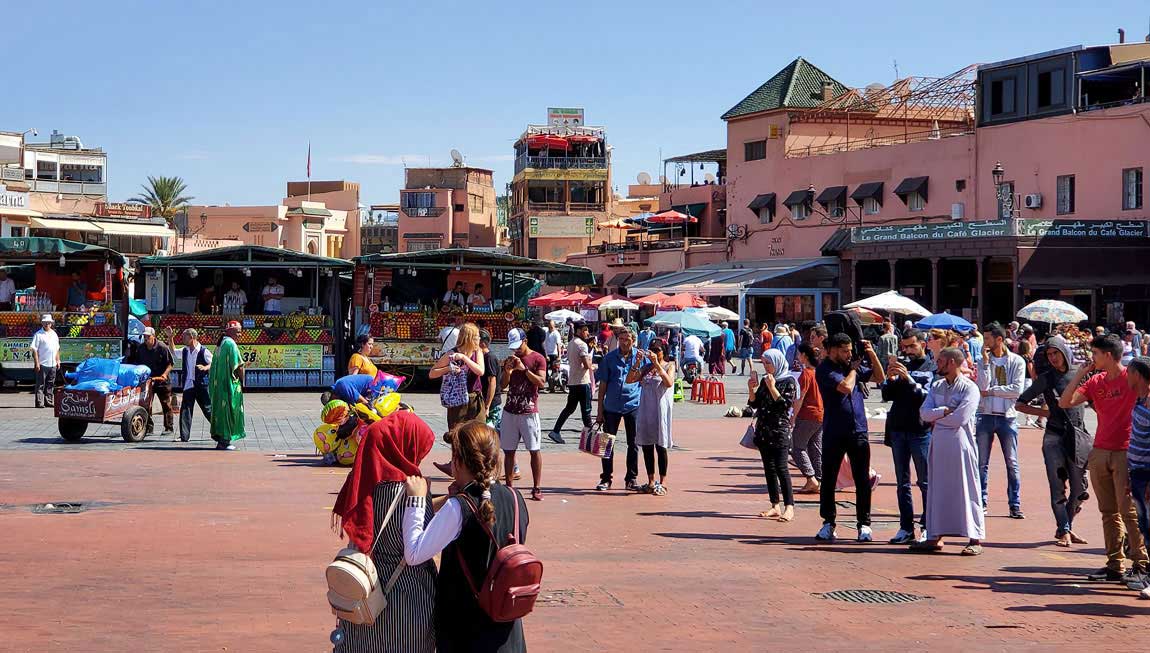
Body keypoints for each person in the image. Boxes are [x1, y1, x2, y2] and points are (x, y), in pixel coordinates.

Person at [402, 421, 529, 652]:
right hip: (506, 629)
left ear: (458, 462)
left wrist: (416, 500)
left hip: (467, 630)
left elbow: (413, 553)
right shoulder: (515, 497)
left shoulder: (460, 506)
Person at [332, 411, 437, 653]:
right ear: (404, 447)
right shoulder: (412, 491)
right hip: (407, 598)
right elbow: (424, 539)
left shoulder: (362, 484)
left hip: (366, 594)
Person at [1059, 334, 1149, 582]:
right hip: (1100, 450)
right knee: (1108, 511)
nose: (1092, 358)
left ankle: (1141, 564)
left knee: (1129, 511)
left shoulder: (1131, 378)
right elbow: (1065, 402)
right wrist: (1081, 374)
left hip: (1126, 451)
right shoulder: (1096, 381)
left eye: (1095, 354)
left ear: (1108, 355)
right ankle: (1114, 564)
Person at [1015, 335, 1092, 547]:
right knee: (1057, 486)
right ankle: (1065, 529)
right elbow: (1019, 404)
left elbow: (1095, 401)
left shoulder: (1080, 373)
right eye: (1049, 355)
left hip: (1078, 437)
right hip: (1054, 438)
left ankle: (1065, 526)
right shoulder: (1046, 378)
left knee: (1080, 488)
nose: (1052, 358)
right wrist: (1046, 413)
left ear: (1064, 352)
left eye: (1055, 353)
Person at [911, 347, 986, 556]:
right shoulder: (936, 386)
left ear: (952, 362)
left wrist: (938, 419)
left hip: (961, 444)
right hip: (939, 443)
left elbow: (961, 418)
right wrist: (944, 411)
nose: (938, 364)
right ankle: (935, 536)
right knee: (938, 488)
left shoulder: (970, 388)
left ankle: (975, 538)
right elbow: (924, 414)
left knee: (967, 486)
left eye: (941, 361)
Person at [814, 333, 884, 543]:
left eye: (850, 350)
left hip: (858, 430)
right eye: (844, 351)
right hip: (834, 430)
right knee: (829, 478)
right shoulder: (825, 369)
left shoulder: (850, 366)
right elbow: (845, 387)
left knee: (862, 479)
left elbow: (879, 378)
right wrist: (853, 368)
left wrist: (872, 354)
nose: (849, 354)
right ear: (833, 350)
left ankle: (864, 524)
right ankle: (828, 523)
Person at [881, 328, 936, 544]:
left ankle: (927, 526)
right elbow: (887, 396)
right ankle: (905, 527)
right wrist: (889, 378)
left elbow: (927, 397)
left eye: (912, 345)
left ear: (923, 344)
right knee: (902, 482)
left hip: (920, 430)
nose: (909, 350)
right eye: (905, 347)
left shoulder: (931, 367)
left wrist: (910, 380)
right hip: (898, 429)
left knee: (925, 481)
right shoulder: (903, 366)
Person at [975, 322, 1027, 519]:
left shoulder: (1017, 361)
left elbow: (1016, 390)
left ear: (999, 339)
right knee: (981, 462)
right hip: (985, 415)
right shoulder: (982, 361)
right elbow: (982, 386)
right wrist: (986, 364)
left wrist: (992, 392)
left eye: (987, 338)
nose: (984, 342)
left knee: (1012, 462)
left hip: (1007, 417)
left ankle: (1015, 503)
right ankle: (981, 501)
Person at [749, 349, 798, 521]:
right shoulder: (765, 379)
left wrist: (772, 387)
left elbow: (785, 406)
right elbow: (754, 405)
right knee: (769, 469)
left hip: (780, 431)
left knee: (782, 468)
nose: (766, 367)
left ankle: (789, 507)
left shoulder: (788, 381)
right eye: (763, 363)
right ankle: (774, 505)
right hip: (764, 431)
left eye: (768, 363)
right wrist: (751, 388)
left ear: (777, 362)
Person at [500, 330, 547, 501]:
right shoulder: (511, 359)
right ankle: (509, 487)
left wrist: (524, 369)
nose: (516, 351)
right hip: (510, 410)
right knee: (509, 451)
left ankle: (536, 487)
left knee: (534, 449)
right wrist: (507, 371)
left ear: (525, 341)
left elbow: (541, 383)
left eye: (518, 346)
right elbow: (503, 385)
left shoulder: (538, 358)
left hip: (529, 411)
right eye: (513, 348)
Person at [596, 327, 641, 492]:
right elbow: (603, 386)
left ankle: (631, 477)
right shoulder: (609, 358)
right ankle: (606, 478)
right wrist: (599, 411)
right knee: (607, 443)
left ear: (633, 340)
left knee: (633, 443)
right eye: (621, 339)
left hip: (633, 405)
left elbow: (649, 374)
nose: (624, 342)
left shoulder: (640, 357)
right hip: (612, 406)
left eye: (627, 339)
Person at [628, 337, 675, 495]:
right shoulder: (647, 368)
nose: (655, 353)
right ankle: (650, 480)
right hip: (646, 410)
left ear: (664, 352)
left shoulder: (669, 366)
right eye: (652, 350)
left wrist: (657, 364)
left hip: (660, 410)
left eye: (658, 350)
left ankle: (663, 482)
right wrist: (637, 362)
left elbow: (669, 383)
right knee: (647, 446)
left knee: (660, 446)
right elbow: (630, 380)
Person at [1125, 357, 1150, 597]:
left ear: (1139, 375)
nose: (1127, 376)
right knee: (1144, 525)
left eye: (1130, 373)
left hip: (1147, 473)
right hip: (1137, 471)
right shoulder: (1139, 399)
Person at [429, 323, 486, 430]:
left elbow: (480, 371)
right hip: (457, 399)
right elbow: (432, 373)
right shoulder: (451, 353)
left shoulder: (477, 351)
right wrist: (448, 369)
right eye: (477, 337)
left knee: (479, 433)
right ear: (469, 338)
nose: (479, 339)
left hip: (474, 398)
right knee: (457, 434)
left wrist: (464, 358)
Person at [548, 321, 593, 445]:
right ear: (578, 331)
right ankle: (590, 438)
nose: (587, 333)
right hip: (583, 382)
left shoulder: (571, 343)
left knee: (569, 408)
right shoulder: (582, 345)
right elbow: (586, 365)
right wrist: (592, 363)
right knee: (586, 411)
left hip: (573, 382)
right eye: (585, 330)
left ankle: (556, 431)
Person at [130, 326, 175, 436]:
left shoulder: (162, 347)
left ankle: (169, 427)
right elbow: (138, 364)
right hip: (148, 380)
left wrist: (164, 374)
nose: (146, 339)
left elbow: (170, 364)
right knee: (146, 404)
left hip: (161, 380)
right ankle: (149, 427)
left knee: (166, 404)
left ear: (153, 336)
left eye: (148, 337)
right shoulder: (141, 349)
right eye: (144, 337)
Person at [791, 344, 824, 495]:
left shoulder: (806, 373)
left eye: (799, 354)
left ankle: (811, 478)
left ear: (804, 355)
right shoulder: (819, 372)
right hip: (820, 414)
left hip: (807, 415)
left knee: (797, 447)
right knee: (815, 448)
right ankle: (819, 478)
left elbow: (800, 397)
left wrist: (793, 416)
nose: (798, 356)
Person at [209, 321, 246, 451]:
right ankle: (225, 441)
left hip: (218, 387)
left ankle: (221, 440)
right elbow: (239, 366)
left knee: (220, 412)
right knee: (230, 412)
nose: (240, 335)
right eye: (238, 332)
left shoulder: (221, 344)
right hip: (228, 386)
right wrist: (243, 382)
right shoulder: (231, 344)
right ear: (230, 332)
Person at [171, 328, 213, 443]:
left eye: (185, 336)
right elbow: (174, 351)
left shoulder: (203, 351)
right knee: (185, 410)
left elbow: (214, 362)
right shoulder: (185, 350)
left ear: (191, 337)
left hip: (201, 384)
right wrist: (170, 338)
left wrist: (205, 368)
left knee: (208, 409)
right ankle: (184, 436)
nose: (183, 338)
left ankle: (219, 431)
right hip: (188, 384)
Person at [30, 314, 60, 409]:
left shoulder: (54, 334)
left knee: (50, 384)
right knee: (40, 384)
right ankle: (39, 402)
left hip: (53, 363)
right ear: (42, 323)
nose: (47, 324)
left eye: (49, 323)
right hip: (43, 363)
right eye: (45, 322)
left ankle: (49, 401)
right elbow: (34, 349)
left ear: (51, 324)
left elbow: (57, 348)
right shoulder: (38, 335)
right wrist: (37, 362)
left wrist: (58, 360)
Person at [479, 333, 502, 429]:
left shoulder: (489, 358)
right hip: (484, 401)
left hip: (491, 403)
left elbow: (492, 382)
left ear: (483, 343)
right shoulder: (481, 357)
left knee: (491, 433)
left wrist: (487, 406)